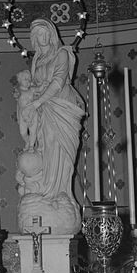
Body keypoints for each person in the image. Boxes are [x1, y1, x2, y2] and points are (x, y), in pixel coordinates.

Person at [20, 18, 84, 215]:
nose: (44, 37)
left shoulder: (62, 53)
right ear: (34, 39)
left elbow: (58, 82)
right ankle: (46, 192)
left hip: (62, 106)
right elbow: (33, 85)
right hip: (43, 110)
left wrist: (37, 101)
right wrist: (28, 97)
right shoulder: (37, 60)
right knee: (45, 147)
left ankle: (60, 193)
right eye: (39, 34)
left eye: (47, 32)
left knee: (60, 149)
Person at [14, 68, 37, 150]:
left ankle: (31, 146)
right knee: (23, 132)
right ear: (19, 80)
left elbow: (40, 89)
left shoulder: (32, 90)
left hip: (32, 113)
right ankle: (27, 141)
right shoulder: (19, 91)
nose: (28, 81)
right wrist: (16, 95)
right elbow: (16, 97)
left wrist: (43, 85)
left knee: (33, 131)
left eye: (29, 79)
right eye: (25, 79)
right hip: (22, 114)